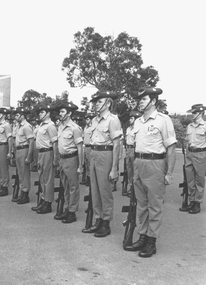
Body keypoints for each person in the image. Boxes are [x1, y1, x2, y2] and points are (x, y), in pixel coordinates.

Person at [124, 87, 176, 258]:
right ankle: (142, 236)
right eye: (139, 99)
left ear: (153, 101)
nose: (140, 102)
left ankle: (151, 242)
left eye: (144, 99)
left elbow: (171, 148)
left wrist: (168, 173)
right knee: (142, 205)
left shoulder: (163, 120)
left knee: (154, 205)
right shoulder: (138, 122)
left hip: (156, 164)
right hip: (139, 163)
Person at [82, 91, 122, 236]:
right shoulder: (94, 120)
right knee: (95, 190)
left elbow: (117, 145)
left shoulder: (112, 120)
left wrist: (114, 168)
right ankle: (98, 220)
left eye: (99, 102)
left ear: (108, 103)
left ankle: (106, 222)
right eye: (96, 102)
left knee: (105, 191)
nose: (96, 104)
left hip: (106, 154)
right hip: (93, 154)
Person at [53, 102, 83, 223]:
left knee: (73, 186)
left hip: (71, 159)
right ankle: (67, 208)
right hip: (62, 159)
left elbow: (80, 148)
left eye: (63, 112)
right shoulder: (60, 127)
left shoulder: (75, 128)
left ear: (69, 113)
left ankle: (72, 212)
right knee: (65, 186)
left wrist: (80, 165)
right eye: (60, 112)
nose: (60, 114)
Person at [31, 104, 59, 214]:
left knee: (48, 179)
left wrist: (56, 158)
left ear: (48, 113)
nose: (39, 114)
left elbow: (55, 143)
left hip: (48, 152)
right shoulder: (41, 126)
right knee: (42, 178)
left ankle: (48, 203)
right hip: (41, 153)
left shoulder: (50, 126)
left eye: (42, 112)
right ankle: (43, 199)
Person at [180, 104, 206, 214]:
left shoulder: (205, 126)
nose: (193, 115)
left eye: (195, 113)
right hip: (189, 154)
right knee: (189, 179)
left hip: (200, 153)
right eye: (192, 113)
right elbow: (187, 140)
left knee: (199, 179)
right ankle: (191, 200)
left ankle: (197, 203)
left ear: (201, 113)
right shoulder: (189, 126)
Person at [0, 108, 13, 197]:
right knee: (0, 167)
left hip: (4, 146)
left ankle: (5, 187)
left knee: (4, 167)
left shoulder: (6, 125)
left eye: (0, 114)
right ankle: (2, 186)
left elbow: (10, 139)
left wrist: (9, 152)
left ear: (4, 115)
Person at [82, 112, 95, 186]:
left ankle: (90, 180)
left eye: (87, 119)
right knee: (86, 164)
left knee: (90, 164)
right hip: (86, 146)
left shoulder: (92, 128)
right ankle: (87, 178)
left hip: (90, 147)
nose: (86, 121)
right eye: (86, 119)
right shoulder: (85, 128)